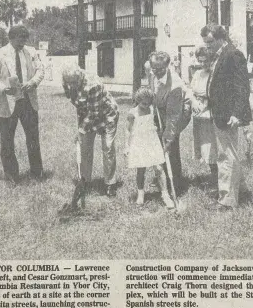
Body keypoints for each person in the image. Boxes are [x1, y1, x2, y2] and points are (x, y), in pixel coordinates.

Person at [201, 24, 252, 211]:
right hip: (219, 112)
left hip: (228, 114)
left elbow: (242, 87)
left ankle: (227, 201)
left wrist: (237, 113)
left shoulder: (233, 54)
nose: (208, 46)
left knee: (227, 156)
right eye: (205, 43)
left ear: (222, 38)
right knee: (226, 154)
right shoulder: (220, 54)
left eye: (210, 42)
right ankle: (239, 191)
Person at [0, 25, 45, 184]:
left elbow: (41, 71)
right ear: (10, 38)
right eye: (20, 39)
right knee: (7, 140)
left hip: (28, 102)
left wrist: (32, 83)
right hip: (8, 103)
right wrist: (3, 89)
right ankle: (11, 176)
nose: (22, 43)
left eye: (25, 39)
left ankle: (36, 173)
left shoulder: (31, 52)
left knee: (33, 138)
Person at [62, 66, 119, 197]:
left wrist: (81, 130)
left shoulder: (94, 84)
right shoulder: (66, 79)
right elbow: (70, 95)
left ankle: (110, 184)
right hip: (85, 113)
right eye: (69, 83)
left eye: (74, 83)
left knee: (108, 147)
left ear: (80, 77)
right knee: (85, 147)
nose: (72, 86)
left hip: (106, 114)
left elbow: (94, 113)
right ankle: (85, 181)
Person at [125, 88, 174, 208]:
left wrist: (160, 131)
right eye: (143, 104)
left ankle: (165, 194)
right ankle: (140, 194)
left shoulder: (153, 110)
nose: (146, 106)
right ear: (138, 101)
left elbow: (159, 125)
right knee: (141, 169)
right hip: (139, 142)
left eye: (148, 103)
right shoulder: (133, 112)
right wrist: (126, 145)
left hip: (152, 142)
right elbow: (128, 130)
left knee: (159, 168)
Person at [148, 51, 185, 193]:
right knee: (158, 144)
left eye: (160, 69)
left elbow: (173, 116)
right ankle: (160, 178)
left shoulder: (175, 85)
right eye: (154, 68)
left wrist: (169, 135)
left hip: (177, 113)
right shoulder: (152, 74)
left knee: (171, 146)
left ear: (167, 66)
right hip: (160, 111)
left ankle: (176, 184)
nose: (156, 72)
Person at [188, 45, 218, 189]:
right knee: (203, 147)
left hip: (209, 115)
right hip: (198, 115)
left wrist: (204, 103)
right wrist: (194, 102)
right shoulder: (197, 74)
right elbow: (191, 91)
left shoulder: (214, 74)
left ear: (211, 60)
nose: (203, 64)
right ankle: (213, 177)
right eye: (200, 61)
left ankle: (216, 179)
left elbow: (214, 94)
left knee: (211, 148)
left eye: (206, 61)